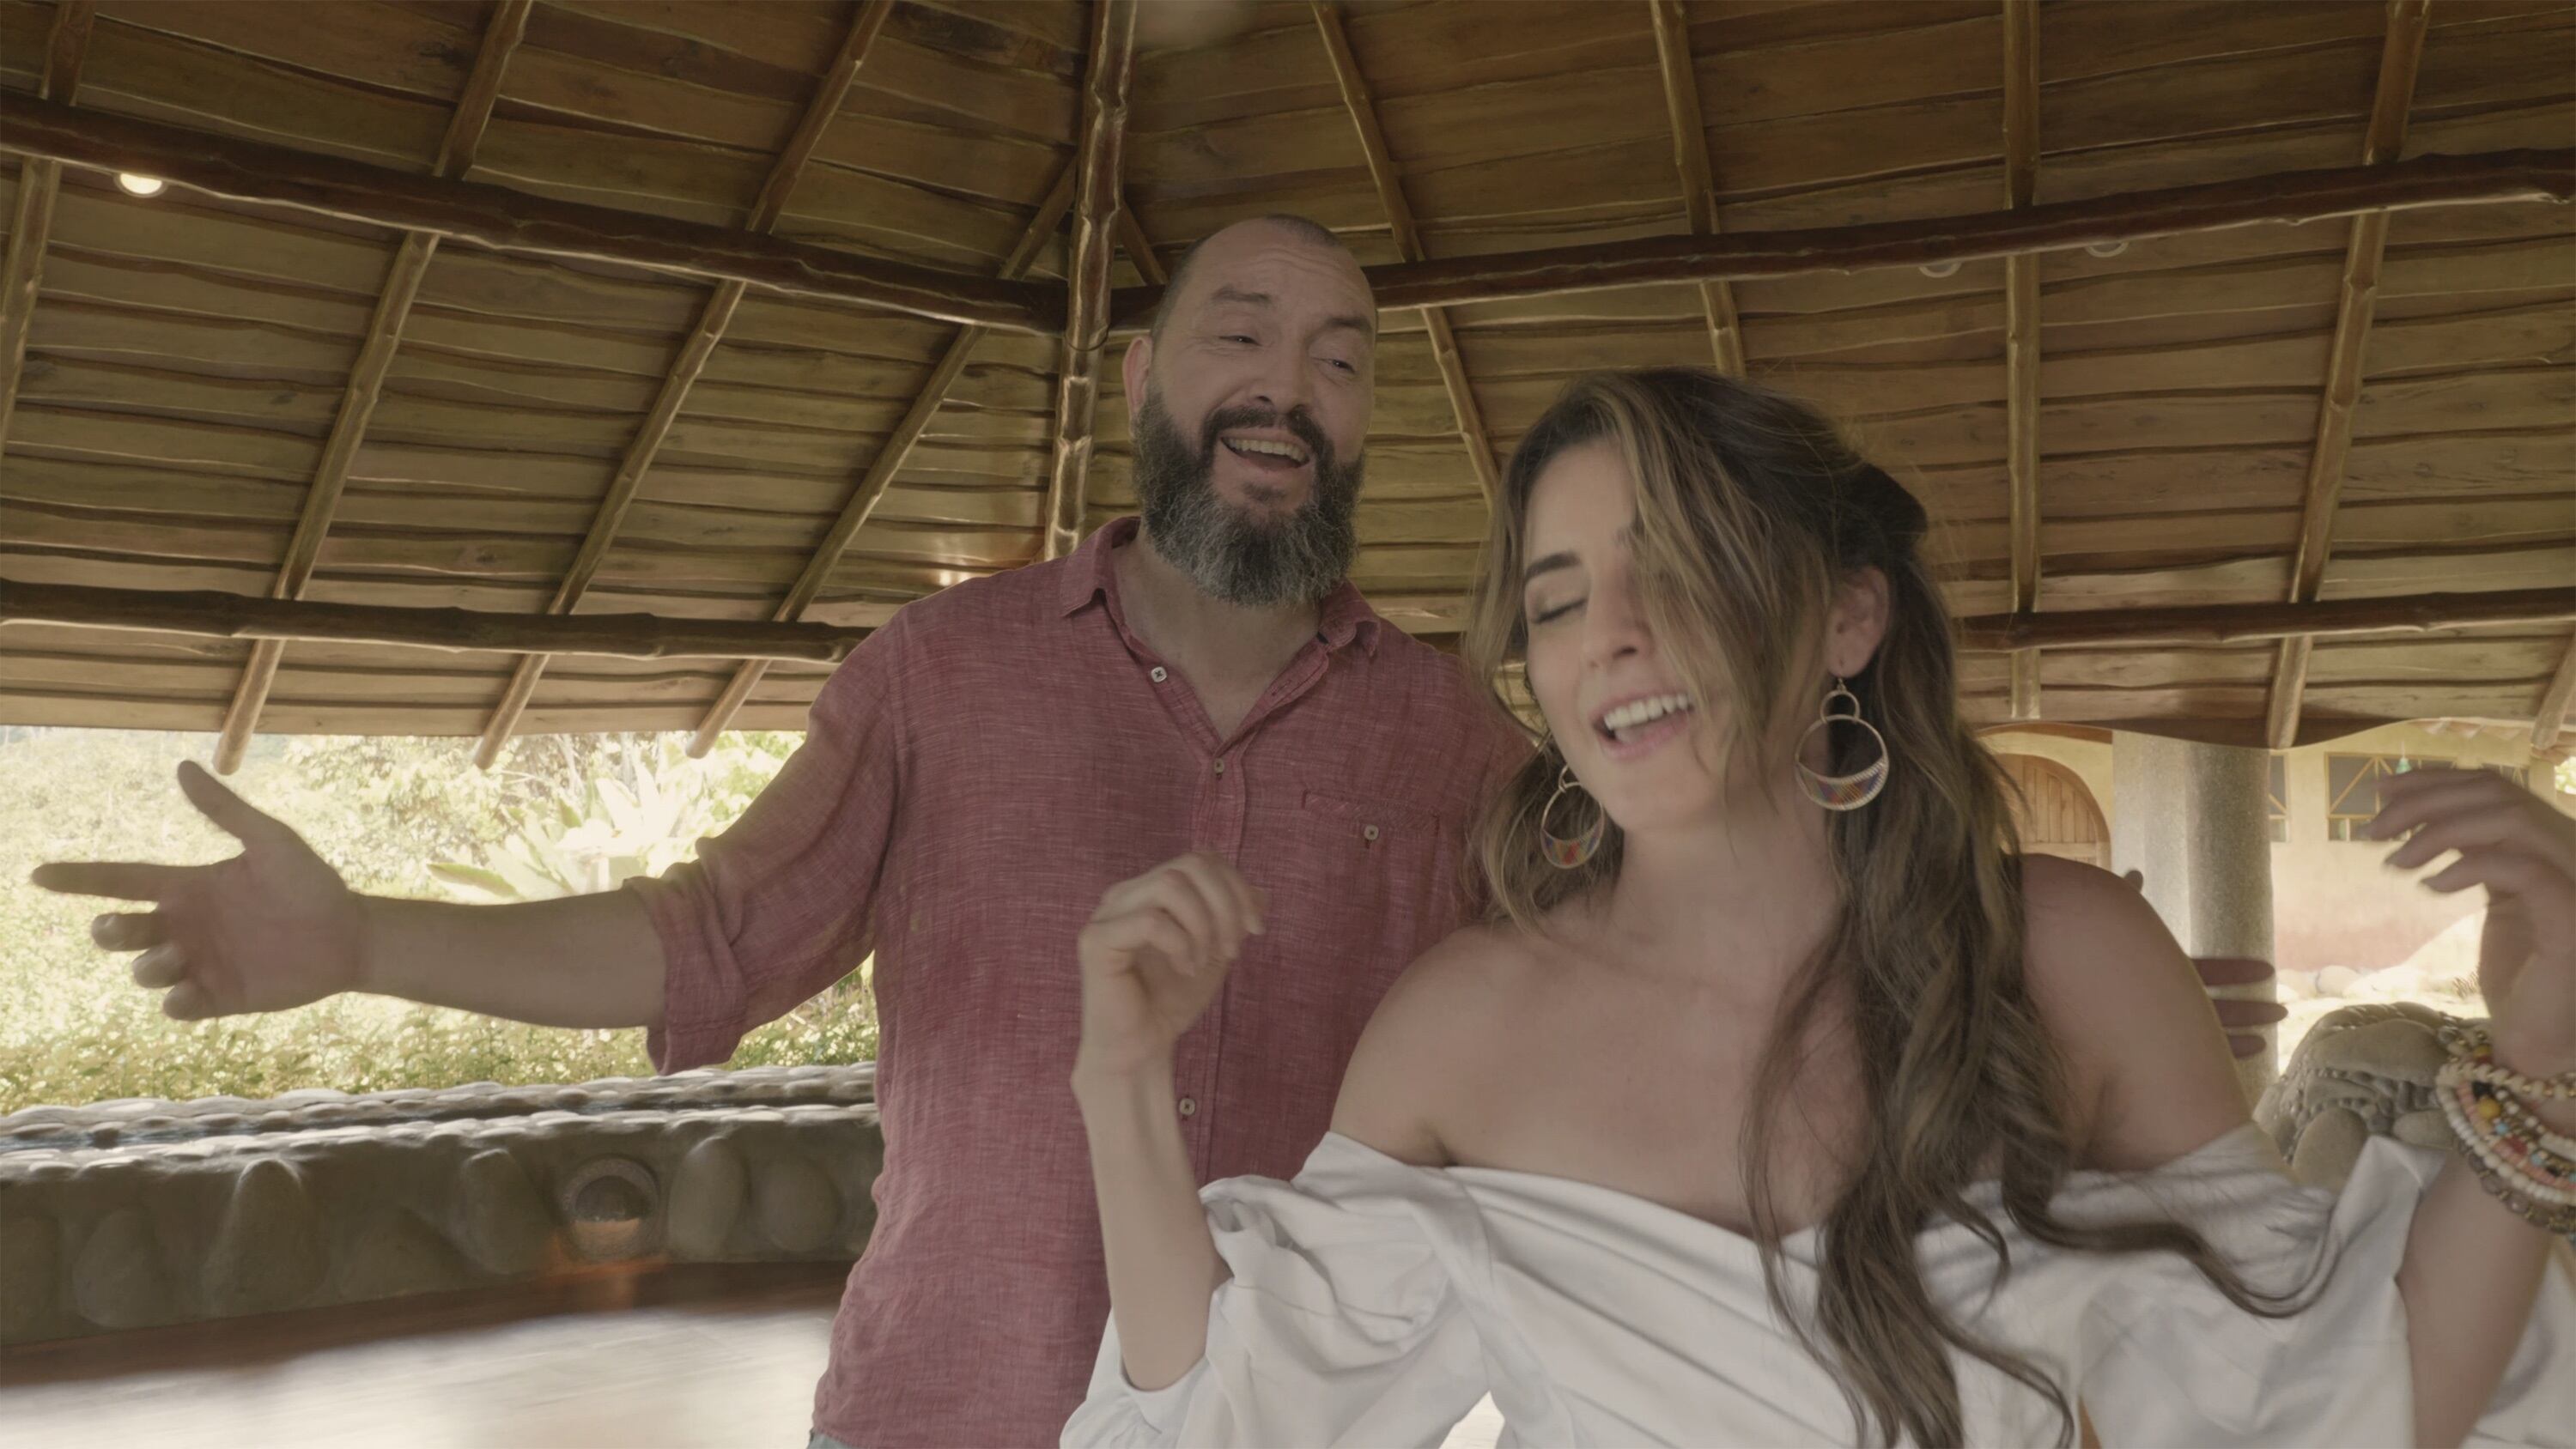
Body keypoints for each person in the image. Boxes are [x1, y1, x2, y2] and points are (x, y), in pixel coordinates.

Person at [37, 221, 2277, 1448]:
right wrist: (362, 938)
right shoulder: (936, 674)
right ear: (1146, 384)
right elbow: (704, 936)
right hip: (952, 1414)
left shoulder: (1465, 738)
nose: (1291, 381)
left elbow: (1660, 1003)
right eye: (1241, 330)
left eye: (1345, 354)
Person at [1063, 370, 2576, 1447]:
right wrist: (1122, 1082)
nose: (1611, 638)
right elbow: (1232, 1417)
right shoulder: (1461, 1030)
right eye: (1557, 599)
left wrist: (2545, 1061)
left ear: (1847, 616)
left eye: (1676, 567)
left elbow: (2355, 1398)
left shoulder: (2062, 957)